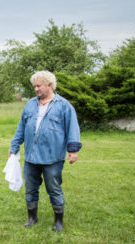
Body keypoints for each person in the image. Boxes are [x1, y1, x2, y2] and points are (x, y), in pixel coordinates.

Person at [9, 71, 82, 232]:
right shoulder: (30, 105)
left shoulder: (64, 106)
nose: (35, 89)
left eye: (38, 85)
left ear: (49, 85)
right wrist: (14, 147)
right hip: (31, 157)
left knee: (54, 189)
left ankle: (58, 222)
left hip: (52, 158)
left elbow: (73, 129)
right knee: (30, 188)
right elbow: (21, 127)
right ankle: (32, 217)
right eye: (34, 86)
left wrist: (73, 150)